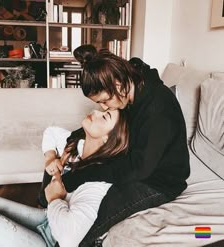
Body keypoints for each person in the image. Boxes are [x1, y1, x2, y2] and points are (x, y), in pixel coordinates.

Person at [40, 44, 190, 246]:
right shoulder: (128, 84)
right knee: (67, 171)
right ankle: (46, 208)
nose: (103, 107)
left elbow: (138, 168)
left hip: (159, 180)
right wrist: (71, 142)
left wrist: (79, 176)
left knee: (97, 217)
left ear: (119, 86)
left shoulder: (157, 109)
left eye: (104, 101)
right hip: (132, 156)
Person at [0, 109, 129, 247]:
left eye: (105, 117)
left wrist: (54, 199)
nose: (96, 112)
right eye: (102, 110)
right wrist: (50, 157)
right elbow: (51, 132)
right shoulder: (76, 147)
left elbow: (68, 241)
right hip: (47, 219)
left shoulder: (98, 182)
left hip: (53, 242)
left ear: (108, 139)